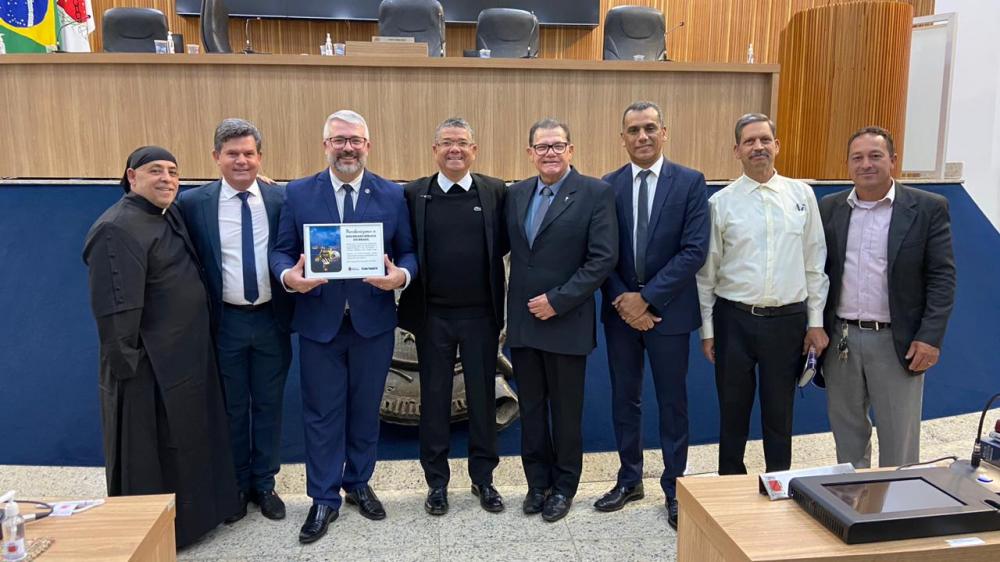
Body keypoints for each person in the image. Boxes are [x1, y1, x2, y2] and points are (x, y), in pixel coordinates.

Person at [270, 110, 417, 544]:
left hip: (372, 323)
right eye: (339, 140)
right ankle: (322, 497)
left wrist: (400, 278)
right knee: (321, 413)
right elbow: (281, 252)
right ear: (326, 145)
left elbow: (408, 252)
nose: (347, 147)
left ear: (368, 145)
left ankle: (358, 483)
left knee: (365, 409)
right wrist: (288, 277)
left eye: (355, 140)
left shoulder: (392, 194)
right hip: (319, 323)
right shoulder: (297, 194)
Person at [82, 146, 238, 548]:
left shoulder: (165, 216)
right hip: (148, 373)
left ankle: (197, 520)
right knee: (155, 455)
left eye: (173, 170)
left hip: (186, 362)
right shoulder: (116, 228)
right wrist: (132, 376)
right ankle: (160, 534)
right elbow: (115, 312)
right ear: (131, 177)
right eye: (156, 171)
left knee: (190, 447)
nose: (168, 178)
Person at [596, 101, 709, 529]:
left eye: (649, 128)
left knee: (671, 402)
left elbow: (694, 249)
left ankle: (674, 487)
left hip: (668, 314)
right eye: (632, 131)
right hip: (620, 313)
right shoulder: (607, 186)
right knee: (625, 399)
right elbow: (601, 254)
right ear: (621, 138)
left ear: (665, 132)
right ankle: (629, 479)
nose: (641, 137)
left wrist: (649, 300)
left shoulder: (690, 182)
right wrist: (625, 300)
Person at [696, 113, 830, 475]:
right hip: (734, 320)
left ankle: (780, 482)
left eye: (765, 140)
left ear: (777, 145)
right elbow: (707, 272)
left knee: (779, 412)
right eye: (749, 141)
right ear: (736, 150)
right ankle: (729, 484)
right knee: (733, 411)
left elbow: (814, 263)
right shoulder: (720, 203)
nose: (758, 147)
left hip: (787, 322)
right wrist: (708, 330)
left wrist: (815, 323)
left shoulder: (801, 196)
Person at [177, 119, 293, 523]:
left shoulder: (282, 201)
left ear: (260, 158)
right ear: (216, 158)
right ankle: (236, 485)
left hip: (270, 320)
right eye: (232, 154)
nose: (241, 160)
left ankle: (265, 483)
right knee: (230, 407)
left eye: (248, 153)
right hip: (223, 323)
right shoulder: (193, 204)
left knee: (268, 404)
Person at [819, 126, 956, 468]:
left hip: (897, 341)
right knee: (847, 435)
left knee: (899, 441)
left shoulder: (926, 208)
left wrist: (929, 337)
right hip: (842, 340)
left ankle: (897, 514)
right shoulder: (830, 208)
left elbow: (942, 277)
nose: (866, 164)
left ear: (893, 161)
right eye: (858, 157)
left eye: (875, 156)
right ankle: (852, 507)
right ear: (848, 164)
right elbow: (818, 273)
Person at [505, 118, 618, 523]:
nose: (549, 153)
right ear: (530, 152)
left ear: (571, 150)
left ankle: (565, 486)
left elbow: (602, 258)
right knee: (531, 410)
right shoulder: (515, 193)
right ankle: (537, 483)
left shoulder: (595, 193)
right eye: (542, 146)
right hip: (523, 323)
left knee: (566, 413)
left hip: (566, 321)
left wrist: (558, 300)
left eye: (557, 145)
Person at [397, 118, 507, 516]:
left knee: (482, 400)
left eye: (462, 143)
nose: (454, 149)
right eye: (446, 143)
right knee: (435, 400)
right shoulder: (412, 194)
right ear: (434, 150)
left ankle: (484, 479)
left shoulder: (495, 192)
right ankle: (437, 484)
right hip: (432, 318)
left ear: (474, 150)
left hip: (481, 317)